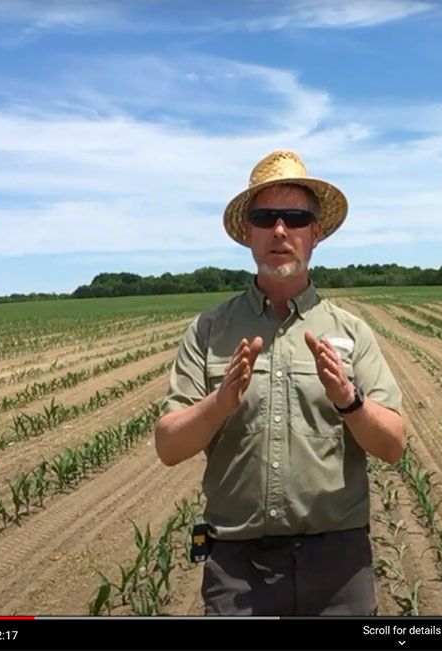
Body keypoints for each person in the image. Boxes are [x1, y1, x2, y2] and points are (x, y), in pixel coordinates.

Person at [155, 149, 405, 616]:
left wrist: (349, 400)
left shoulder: (352, 332)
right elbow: (168, 447)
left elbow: (392, 444)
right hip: (236, 565)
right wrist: (219, 402)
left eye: (295, 217)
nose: (280, 230)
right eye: (266, 217)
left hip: (339, 563)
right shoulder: (209, 331)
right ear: (248, 232)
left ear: (317, 232)